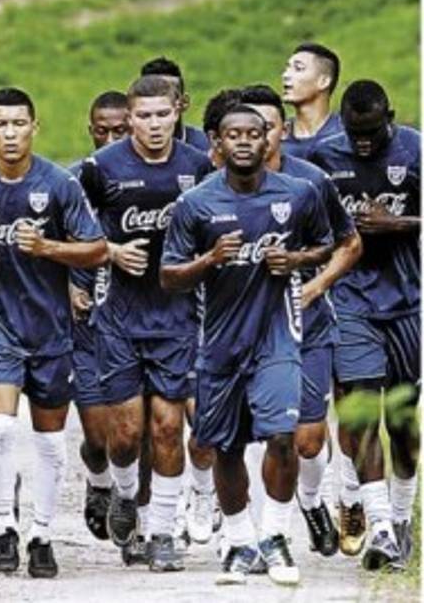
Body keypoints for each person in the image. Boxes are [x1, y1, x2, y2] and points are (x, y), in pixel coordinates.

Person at [161, 104, 334, 586]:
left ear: (267, 141)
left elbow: (327, 244)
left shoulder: (298, 194)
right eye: (232, 135)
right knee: (226, 446)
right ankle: (239, 541)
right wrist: (210, 259)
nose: (243, 141)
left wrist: (296, 259)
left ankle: (275, 536)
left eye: (252, 134)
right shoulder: (195, 203)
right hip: (220, 343)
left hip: (277, 338)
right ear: (217, 144)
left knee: (282, 437)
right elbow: (169, 276)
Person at [0, 87, 108, 578]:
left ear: (35, 128)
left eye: (19, 125)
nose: (10, 134)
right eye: (1, 125)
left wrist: (47, 248)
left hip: (50, 330)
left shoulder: (58, 183)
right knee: (1, 428)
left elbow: (97, 249)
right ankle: (5, 525)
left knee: (50, 443)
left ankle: (42, 533)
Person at [79, 76, 214, 571]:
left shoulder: (199, 168)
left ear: (178, 112)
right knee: (125, 433)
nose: (154, 125)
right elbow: (70, 230)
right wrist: (110, 251)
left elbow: (216, 229)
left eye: (163, 115)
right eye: (144, 116)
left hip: (177, 317)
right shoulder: (100, 169)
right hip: (119, 317)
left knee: (168, 427)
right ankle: (122, 493)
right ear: (130, 118)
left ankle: (160, 532)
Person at [239, 84, 363, 558]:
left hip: (306, 326)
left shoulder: (311, 182)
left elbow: (349, 244)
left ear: (282, 131)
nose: (259, 137)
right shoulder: (216, 187)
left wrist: (317, 286)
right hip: (247, 330)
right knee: (266, 433)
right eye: (249, 129)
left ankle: (311, 502)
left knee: (309, 442)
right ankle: (265, 533)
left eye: (268, 127)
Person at [309, 80, 420, 570]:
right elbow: (311, 228)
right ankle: (381, 529)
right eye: (355, 134)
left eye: (372, 133)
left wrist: (399, 225)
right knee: (362, 413)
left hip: (407, 301)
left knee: (403, 423)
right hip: (351, 301)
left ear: (389, 118)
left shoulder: (415, 150)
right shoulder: (324, 158)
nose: (364, 143)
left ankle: (402, 516)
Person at [66, 91, 128, 543]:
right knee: (98, 435)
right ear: (90, 131)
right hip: (86, 325)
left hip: (134, 319)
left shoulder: (152, 181)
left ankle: (135, 511)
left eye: (118, 131)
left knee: (133, 431)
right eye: (101, 131)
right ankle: (99, 481)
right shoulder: (73, 182)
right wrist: (70, 284)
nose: (109, 139)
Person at [281, 43, 344, 160]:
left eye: (298, 68)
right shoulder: (278, 136)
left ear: (324, 81)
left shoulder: (345, 135)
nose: (285, 75)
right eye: (286, 69)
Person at [140, 57, 211, 153]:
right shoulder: (125, 148)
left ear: (184, 102)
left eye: (169, 96)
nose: (159, 103)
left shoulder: (207, 147)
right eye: (151, 95)